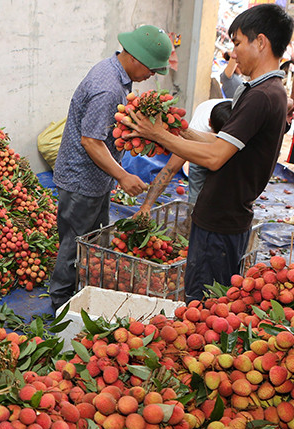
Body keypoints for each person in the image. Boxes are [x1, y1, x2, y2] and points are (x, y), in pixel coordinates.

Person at [125, 3, 294, 302]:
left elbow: (215, 157)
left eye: (237, 43)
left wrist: (157, 134)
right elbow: (222, 143)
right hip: (225, 219)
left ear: (261, 42)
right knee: (212, 300)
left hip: (221, 223)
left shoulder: (261, 96)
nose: (233, 53)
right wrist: (179, 131)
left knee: (203, 302)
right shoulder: (270, 91)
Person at [48, 25, 171, 312]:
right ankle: (61, 306)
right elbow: (91, 141)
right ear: (136, 59)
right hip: (81, 180)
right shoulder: (108, 87)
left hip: (95, 179)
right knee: (75, 245)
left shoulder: (116, 74)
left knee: (92, 241)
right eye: (152, 69)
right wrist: (123, 175)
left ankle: (84, 293)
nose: (151, 75)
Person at [135, 99, 231, 216]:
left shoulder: (239, 137)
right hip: (207, 211)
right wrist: (146, 206)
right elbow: (170, 170)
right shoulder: (196, 131)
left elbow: (170, 170)